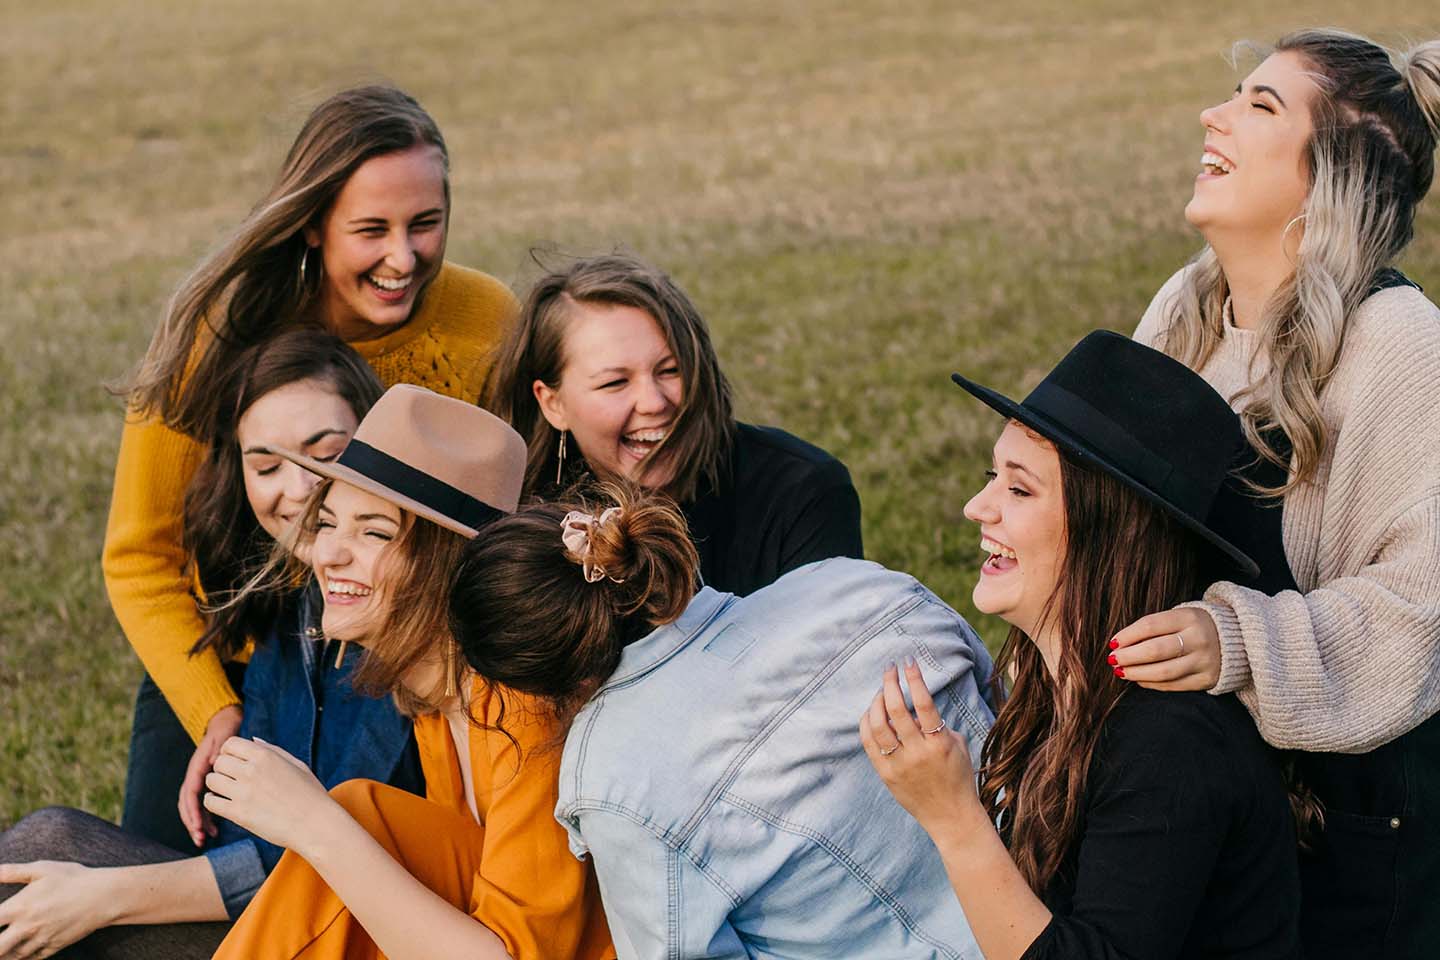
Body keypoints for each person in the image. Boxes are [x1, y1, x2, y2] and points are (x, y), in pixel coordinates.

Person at [104, 84, 517, 853]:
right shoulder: (219, 336)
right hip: (232, 657)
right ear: (313, 228)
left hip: (399, 659)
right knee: (152, 876)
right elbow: (139, 560)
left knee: (353, 866)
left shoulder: (486, 319)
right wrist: (212, 712)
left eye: (426, 224)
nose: (404, 257)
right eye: (372, 230)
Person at [1113, 30, 1440, 956]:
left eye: (1261, 105)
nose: (1213, 115)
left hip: (1352, 843)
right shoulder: (1186, 309)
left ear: (1341, 168)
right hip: (1196, 797)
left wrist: (1237, 641)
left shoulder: (1405, 348)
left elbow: (1423, 613)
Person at [864, 331, 1302, 959]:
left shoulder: (1170, 737)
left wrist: (954, 820)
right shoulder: (1056, 698)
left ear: (1110, 532)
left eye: (1019, 489)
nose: (974, 507)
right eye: (994, 476)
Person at [0, 328, 421, 958]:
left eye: (324, 453)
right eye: (267, 464)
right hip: (280, 916)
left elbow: (314, 859)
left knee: (51, 857)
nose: (299, 487)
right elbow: (251, 833)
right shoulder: (290, 603)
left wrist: (107, 894)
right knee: (41, 863)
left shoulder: (400, 623)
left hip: (355, 934)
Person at [447, 482, 995, 958]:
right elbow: (1022, 732)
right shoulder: (859, 585)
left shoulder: (613, 782)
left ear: (535, 683)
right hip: (1059, 913)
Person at [206, 385, 613, 960]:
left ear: (451, 562)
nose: (330, 554)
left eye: (374, 532)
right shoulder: (435, 699)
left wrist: (313, 822)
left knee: (354, 820)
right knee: (365, 823)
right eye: (327, 523)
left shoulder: (524, 708)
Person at [486, 252, 862, 597]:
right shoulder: (516, 523)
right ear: (553, 403)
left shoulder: (800, 491)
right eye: (615, 382)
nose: (654, 403)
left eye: (672, 370)